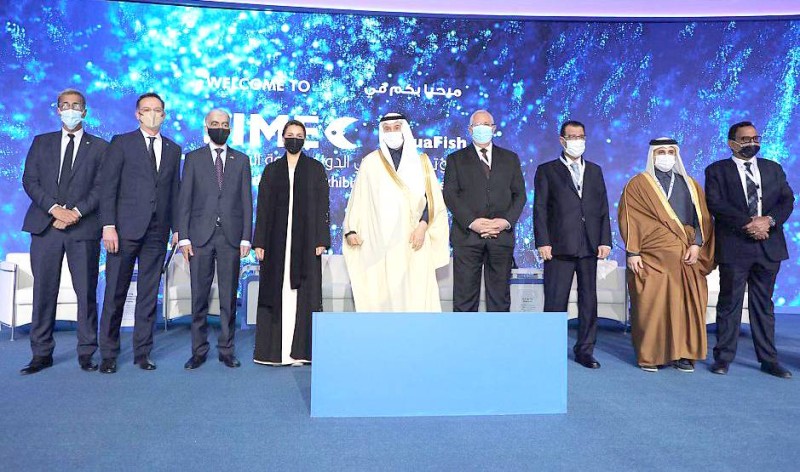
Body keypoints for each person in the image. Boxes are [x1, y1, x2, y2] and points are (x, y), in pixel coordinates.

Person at [19, 89, 109, 375]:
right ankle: (41, 353)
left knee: (86, 292)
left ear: (85, 111)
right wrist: (54, 209)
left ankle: (87, 352)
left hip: (83, 229)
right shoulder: (41, 142)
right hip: (45, 227)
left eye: (76, 105)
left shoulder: (100, 147)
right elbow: (30, 180)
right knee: (44, 291)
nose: (71, 110)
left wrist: (75, 213)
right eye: (66, 105)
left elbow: (101, 187)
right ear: (58, 110)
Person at [97, 92, 182, 373]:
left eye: (158, 110)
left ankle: (143, 352)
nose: (152, 114)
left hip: (157, 232)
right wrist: (108, 225)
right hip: (124, 230)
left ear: (164, 115)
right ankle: (108, 354)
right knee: (115, 293)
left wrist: (177, 228)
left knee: (148, 295)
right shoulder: (121, 143)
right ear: (138, 114)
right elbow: (108, 187)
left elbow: (175, 191)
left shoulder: (173, 149)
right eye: (147, 110)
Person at [705, 122, 794, 379]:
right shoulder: (717, 170)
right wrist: (749, 224)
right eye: (745, 139)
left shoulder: (773, 168)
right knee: (729, 303)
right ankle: (723, 358)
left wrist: (768, 221)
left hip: (769, 247)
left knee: (763, 305)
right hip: (735, 247)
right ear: (731, 143)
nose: (752, 143)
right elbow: (716, 204)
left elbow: (787, 200)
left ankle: (769, 360)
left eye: (756, 138)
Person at [619, 138, 715, 372]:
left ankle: (684, 354)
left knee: (685, 306)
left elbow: (702, 218)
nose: (666, 156)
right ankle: (653, 356)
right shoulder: (638, 184)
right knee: (652, 305)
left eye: (671, 151)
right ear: (652, 154)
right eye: (661, 151)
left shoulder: (690, 184)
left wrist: (697, 245)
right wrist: (633, 252)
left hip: (687, 259)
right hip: (651, 259)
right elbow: (630, 219)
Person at [343, 113, 449, 311]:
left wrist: (422, 227)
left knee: (416, 295)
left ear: (404, 129)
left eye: (396, 127)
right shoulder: (370, 163)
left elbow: (431, 200)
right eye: (387, 128)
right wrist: (351, 230)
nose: (392, 132)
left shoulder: (421, 162)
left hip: (414, 239)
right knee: (383, 296)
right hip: (380, 244)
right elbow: (358, 200)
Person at [533, 120, 611, 369]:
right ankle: (550, 349)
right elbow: (540, 209)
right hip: (558, 246)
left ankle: (585, 350)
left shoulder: (595, 170)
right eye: (572, 137)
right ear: (562, 140)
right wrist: (543, 241)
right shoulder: (547, 170)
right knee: (555, 300)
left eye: (581, 137)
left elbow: (602, 208)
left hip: (589, 245)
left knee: (589, 301)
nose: (577, 141)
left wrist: (605, 240)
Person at [178, 109, 252, 370]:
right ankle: (198, 351)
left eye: (224, 124)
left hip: (231, 237)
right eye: (215, 123)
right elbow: (184, 200)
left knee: (228, 297)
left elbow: (246, 201)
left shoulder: (241, 160)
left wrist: (246, 237)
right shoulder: (193, 158)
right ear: (206, 126)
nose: (220, 127)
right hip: (199, 237)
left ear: (230, 128)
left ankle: (226, 350)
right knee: (199, 296)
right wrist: (184, 238)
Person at [252, 120, 330, 365]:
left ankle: (301, 351)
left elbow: (323, 207)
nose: (294, 138)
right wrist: (259, 242)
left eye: (299, 135)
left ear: (304, 140)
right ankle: (273, 352)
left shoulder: (315, 169)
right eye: (290, 134)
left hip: (307, 243)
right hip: (276, 242)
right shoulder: (272, 170)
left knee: (305, 293)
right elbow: (263, 209)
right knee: (275, 289)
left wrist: (322, 238)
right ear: (282, 138)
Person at [443, 109, 526, 312]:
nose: (482, 129)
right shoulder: (455, 159)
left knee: (499, 299)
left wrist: (504, 222)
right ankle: (466, 335)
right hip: (467, 238)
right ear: (470, 129)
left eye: (486, 125)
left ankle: (496, 334)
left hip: (501, 237)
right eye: (478, 125)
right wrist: (473, 223)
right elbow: (451, 195)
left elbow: (520, 195)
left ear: (494, 128)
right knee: (464, 299)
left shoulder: (510, 158)